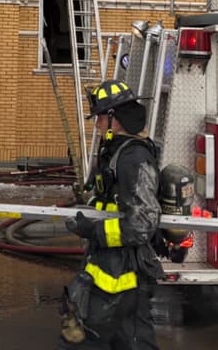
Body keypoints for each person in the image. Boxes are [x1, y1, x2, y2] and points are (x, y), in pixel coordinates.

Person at [60, 80, 162, 350]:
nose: (97, 125)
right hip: (109, 273)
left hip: (124, 277)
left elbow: (141, 224)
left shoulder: (133, 158)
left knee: (82, 341)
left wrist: (93, 230)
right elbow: (113, 203)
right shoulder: (115, 154)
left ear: (114, 118)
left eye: (100, 118)